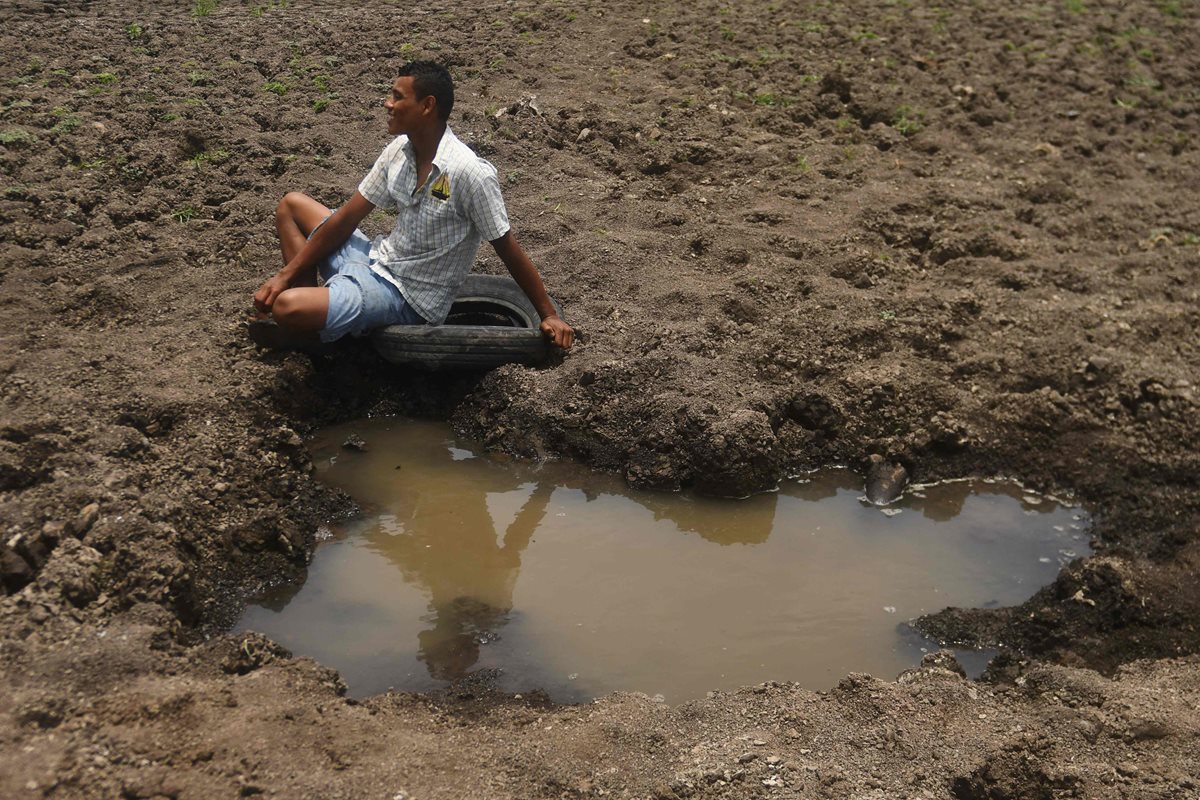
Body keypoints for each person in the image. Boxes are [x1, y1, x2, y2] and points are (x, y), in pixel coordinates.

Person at [251, 60, 574, 351]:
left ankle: (310, 320)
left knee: (286, 306)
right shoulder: (399, 151)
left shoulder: (468, 173)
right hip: (378, 261)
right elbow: (347, 219)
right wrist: (285, 275)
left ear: (427, 106)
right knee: (292, 206)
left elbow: (507, 247)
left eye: (397, 97)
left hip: (407, 296)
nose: (387, 104)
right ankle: (314, 331)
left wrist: (547, 314)